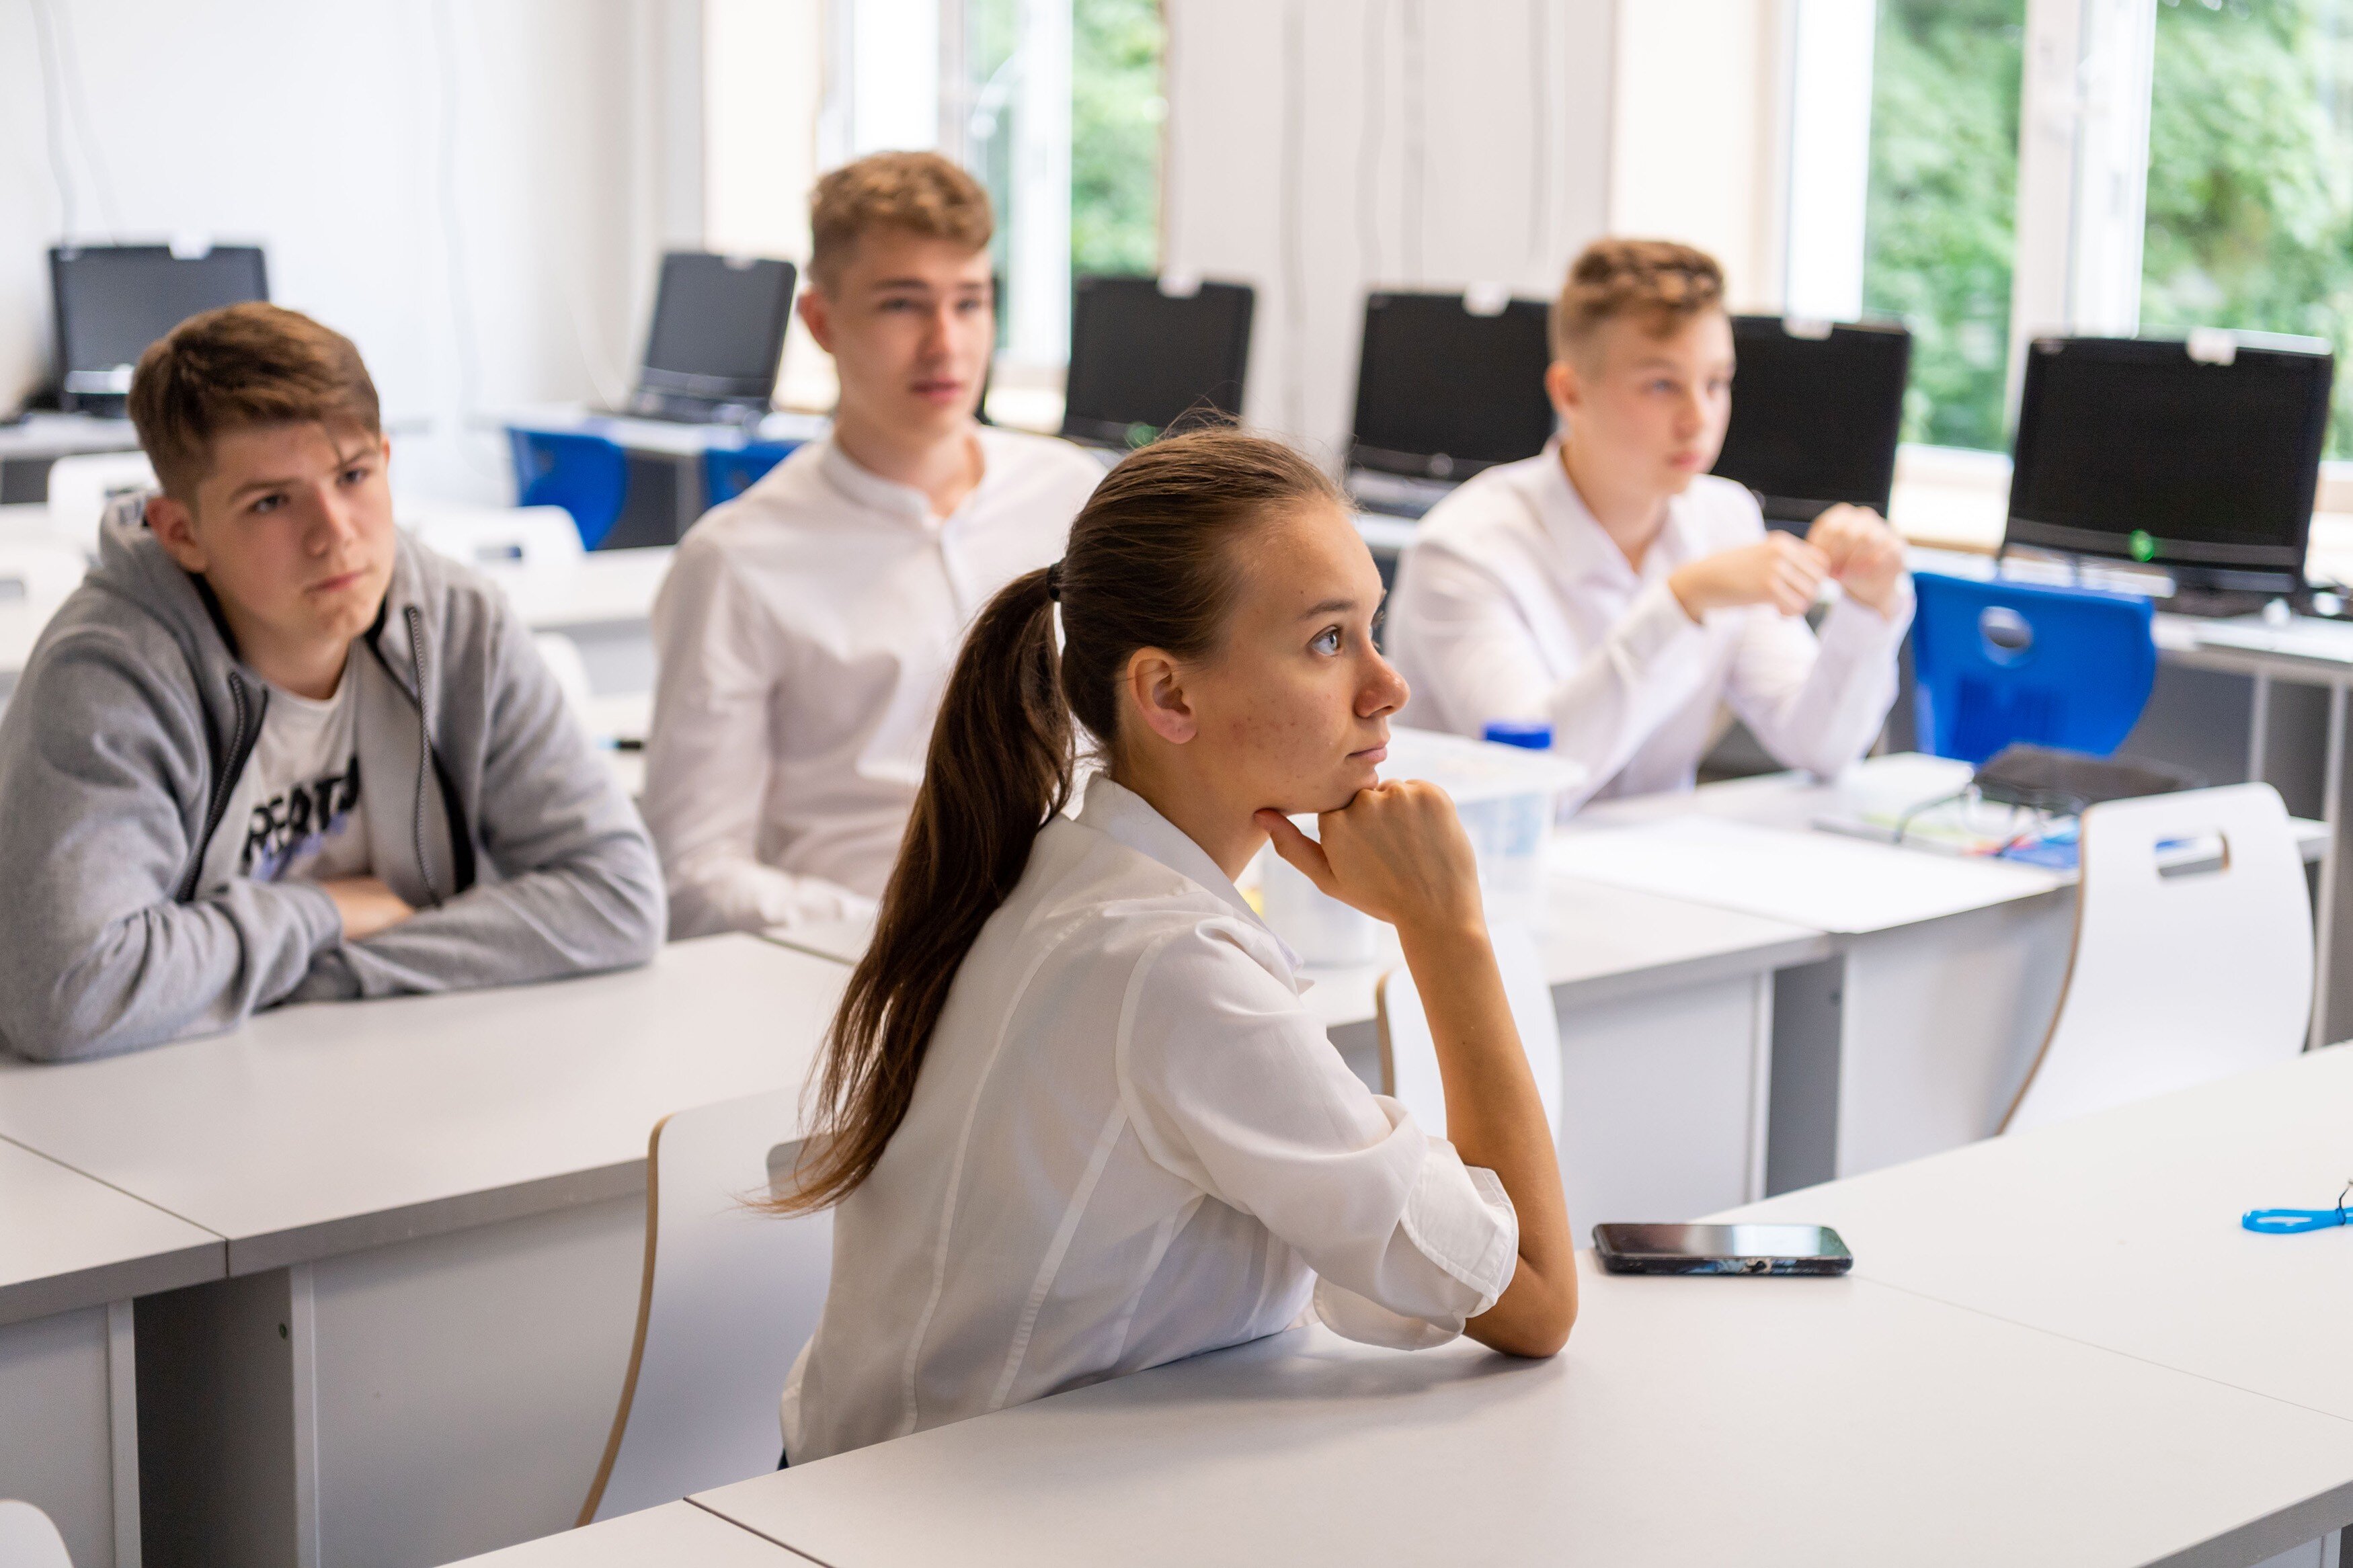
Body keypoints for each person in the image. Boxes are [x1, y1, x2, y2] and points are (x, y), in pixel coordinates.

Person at [771, 428, 1576, 1465]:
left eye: (1372, 630)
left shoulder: (1059, 869)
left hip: (917, 1495)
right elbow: (1538, 1302)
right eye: (1329, 642)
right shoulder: (1171, 968)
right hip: (948, 1530)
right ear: (1169, 696)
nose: (1388, 688)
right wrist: (1448, 930)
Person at [0, 303, 666, 1063]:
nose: (334, 531)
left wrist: (310, 971)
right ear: (181, 530)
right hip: (141, 1118)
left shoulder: (457, 622)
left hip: (387, 1068)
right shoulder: (107, 678)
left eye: (353, 475)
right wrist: (322, 911)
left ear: (385, 458)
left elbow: (619, 898)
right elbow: (70, 992)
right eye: (271, 502)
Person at [646, 151, 1104, 939]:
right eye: (903, 305)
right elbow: (692, 875)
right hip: (860, 968)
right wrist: (908, 933)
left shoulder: (1071, 495)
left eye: (969, 302)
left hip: (1084, 936)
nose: (945, 344)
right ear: (820, 322)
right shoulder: (736, 559)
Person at [1385, 239, 1912, 808]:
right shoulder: (1464, 548)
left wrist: (1868, 608)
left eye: (1715, 383)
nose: (1699, 420)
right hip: (1476, 883)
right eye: (1662, 385)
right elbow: (1534, 787)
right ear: (1570, 392)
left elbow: (1820, 745)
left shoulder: (1724, 518)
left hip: (1647, 875)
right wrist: (1681, 602)